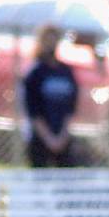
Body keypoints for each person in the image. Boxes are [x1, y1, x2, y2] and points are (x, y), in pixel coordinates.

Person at [23, 25, 79, 167]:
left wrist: (62, 136)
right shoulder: (35, 73)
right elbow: (33, 110)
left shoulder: (66, 71)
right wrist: (49, 139)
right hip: (40, 138)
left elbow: (70, 108)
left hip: (62, 136)